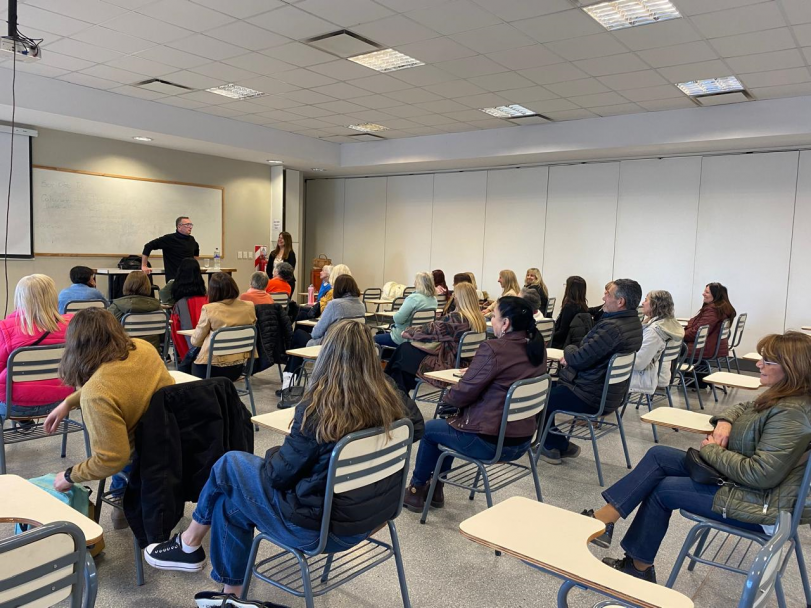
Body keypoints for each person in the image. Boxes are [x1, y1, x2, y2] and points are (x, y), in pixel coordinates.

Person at [143, 320, 415, 605]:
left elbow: (276, 476)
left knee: (230, 463)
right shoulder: (393, 404)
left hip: (318, 531)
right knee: (229, 503)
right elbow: (417, 425)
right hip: (371, 519)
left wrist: (274, 450)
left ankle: (189, 543)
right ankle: (230, 596)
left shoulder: (319, 411)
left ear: (326, 357)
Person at [584, 331, 811, 583]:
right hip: (746, 486)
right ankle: (604, 521)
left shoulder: (792, 414)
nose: (758, 364)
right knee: (659, 455)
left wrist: (713, 450)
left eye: (767, 361)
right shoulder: (783, 396)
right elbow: (745, 407)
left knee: (663, 490)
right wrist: (724, 421)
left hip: (763, 506)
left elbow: (760, 474)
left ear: (792, 368)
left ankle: (638, 567)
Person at [403, 296, 547, 512]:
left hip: (490, 441)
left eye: (494, 316)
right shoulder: (537, 348)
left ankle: (415, 491)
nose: (492, 320)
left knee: (431, 429)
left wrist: (449, 398)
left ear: (506, 323)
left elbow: (463, 393)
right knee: (448, 423)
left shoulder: (494, 349)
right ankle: (435, 488)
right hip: (524, 439)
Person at [43, 308, 174, 528]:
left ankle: (124, 507)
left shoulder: (97, 392)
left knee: (116, 449)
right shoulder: (145, 348)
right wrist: (69, 402)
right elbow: (119, 382)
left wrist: (69, 475)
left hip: (145, 459)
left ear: (75, 346)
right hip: (178, 439)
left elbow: (111, 460)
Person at [539, 279, 643, 465]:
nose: (603, 297)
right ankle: (558, 443)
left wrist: (569, 349)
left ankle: (552, 445)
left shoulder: (612, 328)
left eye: (608, 294)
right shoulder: (633, 323)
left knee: (538, 397)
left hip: (589, 395)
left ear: (621, 302)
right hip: (610, 394)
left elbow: (578, 359)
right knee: (546, 391)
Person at [385, 283, 486, 394]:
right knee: (402, 363)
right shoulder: (478, 319)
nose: (454, 297)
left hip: (447, 363)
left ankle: (389, 391)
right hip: (465, 364)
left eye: (455, 295)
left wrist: (408, 332)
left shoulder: (457, 318)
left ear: (460, 298)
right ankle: (393, 392)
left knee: (403, 352)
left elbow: (431, 330)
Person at [0, 275, 74, 424]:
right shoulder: (72, 325)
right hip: (63, 401)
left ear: (20, 298)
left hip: (14, 406)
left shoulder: (5, 329)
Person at [283, 276, 367, 380]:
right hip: (352, 345)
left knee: (298, 334)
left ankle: (289, 378)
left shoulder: (334, 305)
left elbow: (316, 333)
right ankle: (289, 376)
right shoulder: (361, 305)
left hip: (331, 345)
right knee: (297, 345)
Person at [190, 273, 257, 381]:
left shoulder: (209, 309)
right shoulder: (249, 306)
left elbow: (196, 341)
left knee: (185, 364)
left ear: (212, 291)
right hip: (238, 368)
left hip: (211, 368)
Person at [629, 290, 685, 394]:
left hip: (647, 378)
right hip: (661, 374)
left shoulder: (654, 332)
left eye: (646, 300)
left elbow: (638, 364)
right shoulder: (669, 323)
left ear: (655, 305)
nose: (642, 303)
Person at [374, 272, 437, 350]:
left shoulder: (414, 298)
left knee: (372, 339)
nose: (414, 283)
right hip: (422, 338)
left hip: (403, 338)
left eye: (416, 281)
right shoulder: (433, 300)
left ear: (419, 284)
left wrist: (397, 313)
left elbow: (398, 319)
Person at [107, 271, 164, 351]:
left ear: (126, 284)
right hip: (151, 350)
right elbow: (163, 334)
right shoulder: (157, 306)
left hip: (124, 351)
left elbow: (107, 330)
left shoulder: (116, 306)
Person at [684, 281, 736, 359]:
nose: (703, 294)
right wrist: (691, 326)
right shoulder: (721, 308)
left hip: (703, 348)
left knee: (668, 346)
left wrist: (680, 334)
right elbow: (694, 320)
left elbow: (696, 332)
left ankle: (675, 371)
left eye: (707, 292)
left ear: (715, 295)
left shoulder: (712, 310)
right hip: (712, 346)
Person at [141, 216, 199, 282]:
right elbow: (148, 246)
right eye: (187, 225)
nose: (190, 227)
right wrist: (144, 265)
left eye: (191, 225)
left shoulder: (192, 240)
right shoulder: (169, 239)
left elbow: (196, 251)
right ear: (179, 226)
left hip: (190, 278)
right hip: (174, 279)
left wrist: (195, 267)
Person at [551, 276, 590, 349]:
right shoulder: (583, 307)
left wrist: (548, 337)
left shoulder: (569, 307)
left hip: (562, 344)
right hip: (572, 344)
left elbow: (562, 333)